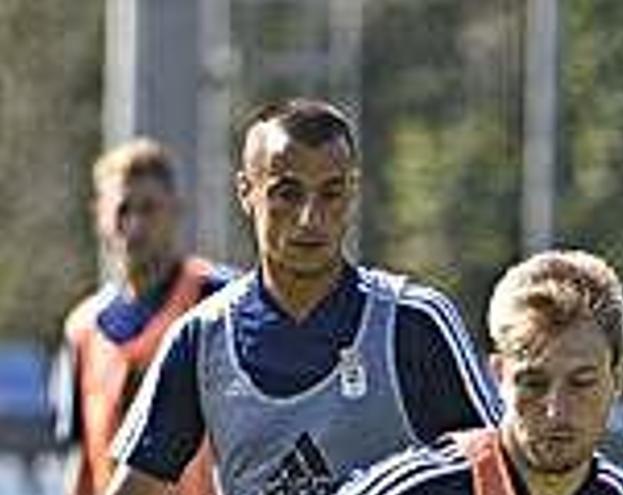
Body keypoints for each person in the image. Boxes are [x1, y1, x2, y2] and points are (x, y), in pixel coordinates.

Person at [105, 98, 501, 495]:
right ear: (246, 191)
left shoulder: (414, 321)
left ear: (352, 192)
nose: (310, 218)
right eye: (287, 194)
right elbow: (136, 485)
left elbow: (498, 467)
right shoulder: (201, 338)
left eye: (330, 193)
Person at [337, 250, 623, 495]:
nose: (556, 410)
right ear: (498, 376)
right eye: (534, 383)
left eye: (581, 383)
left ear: (617, 380)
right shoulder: (412, 489)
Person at [63, 138, 237, 495]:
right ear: (99, 214)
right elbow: (82, 458)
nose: (136, 224)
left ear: (175, 211)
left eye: (149, 209)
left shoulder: (218, 299)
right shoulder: (83, 328)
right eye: (123, 209)